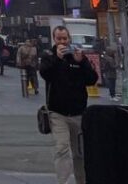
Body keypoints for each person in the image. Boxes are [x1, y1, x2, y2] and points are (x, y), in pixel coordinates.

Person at [39, 26, 97, 184]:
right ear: (54, 39)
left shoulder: (78, 56)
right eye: (59, 39)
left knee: (80, 152)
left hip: (78, 112)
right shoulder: (49, 56)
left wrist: (82, 62)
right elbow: (45, 74)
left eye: (65, 38)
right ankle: (63, 181)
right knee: (62, 148)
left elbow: (92, 79)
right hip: (58, 113)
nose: (62, 42)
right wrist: (57, 59)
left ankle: (82, 180)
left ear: (69, 38)